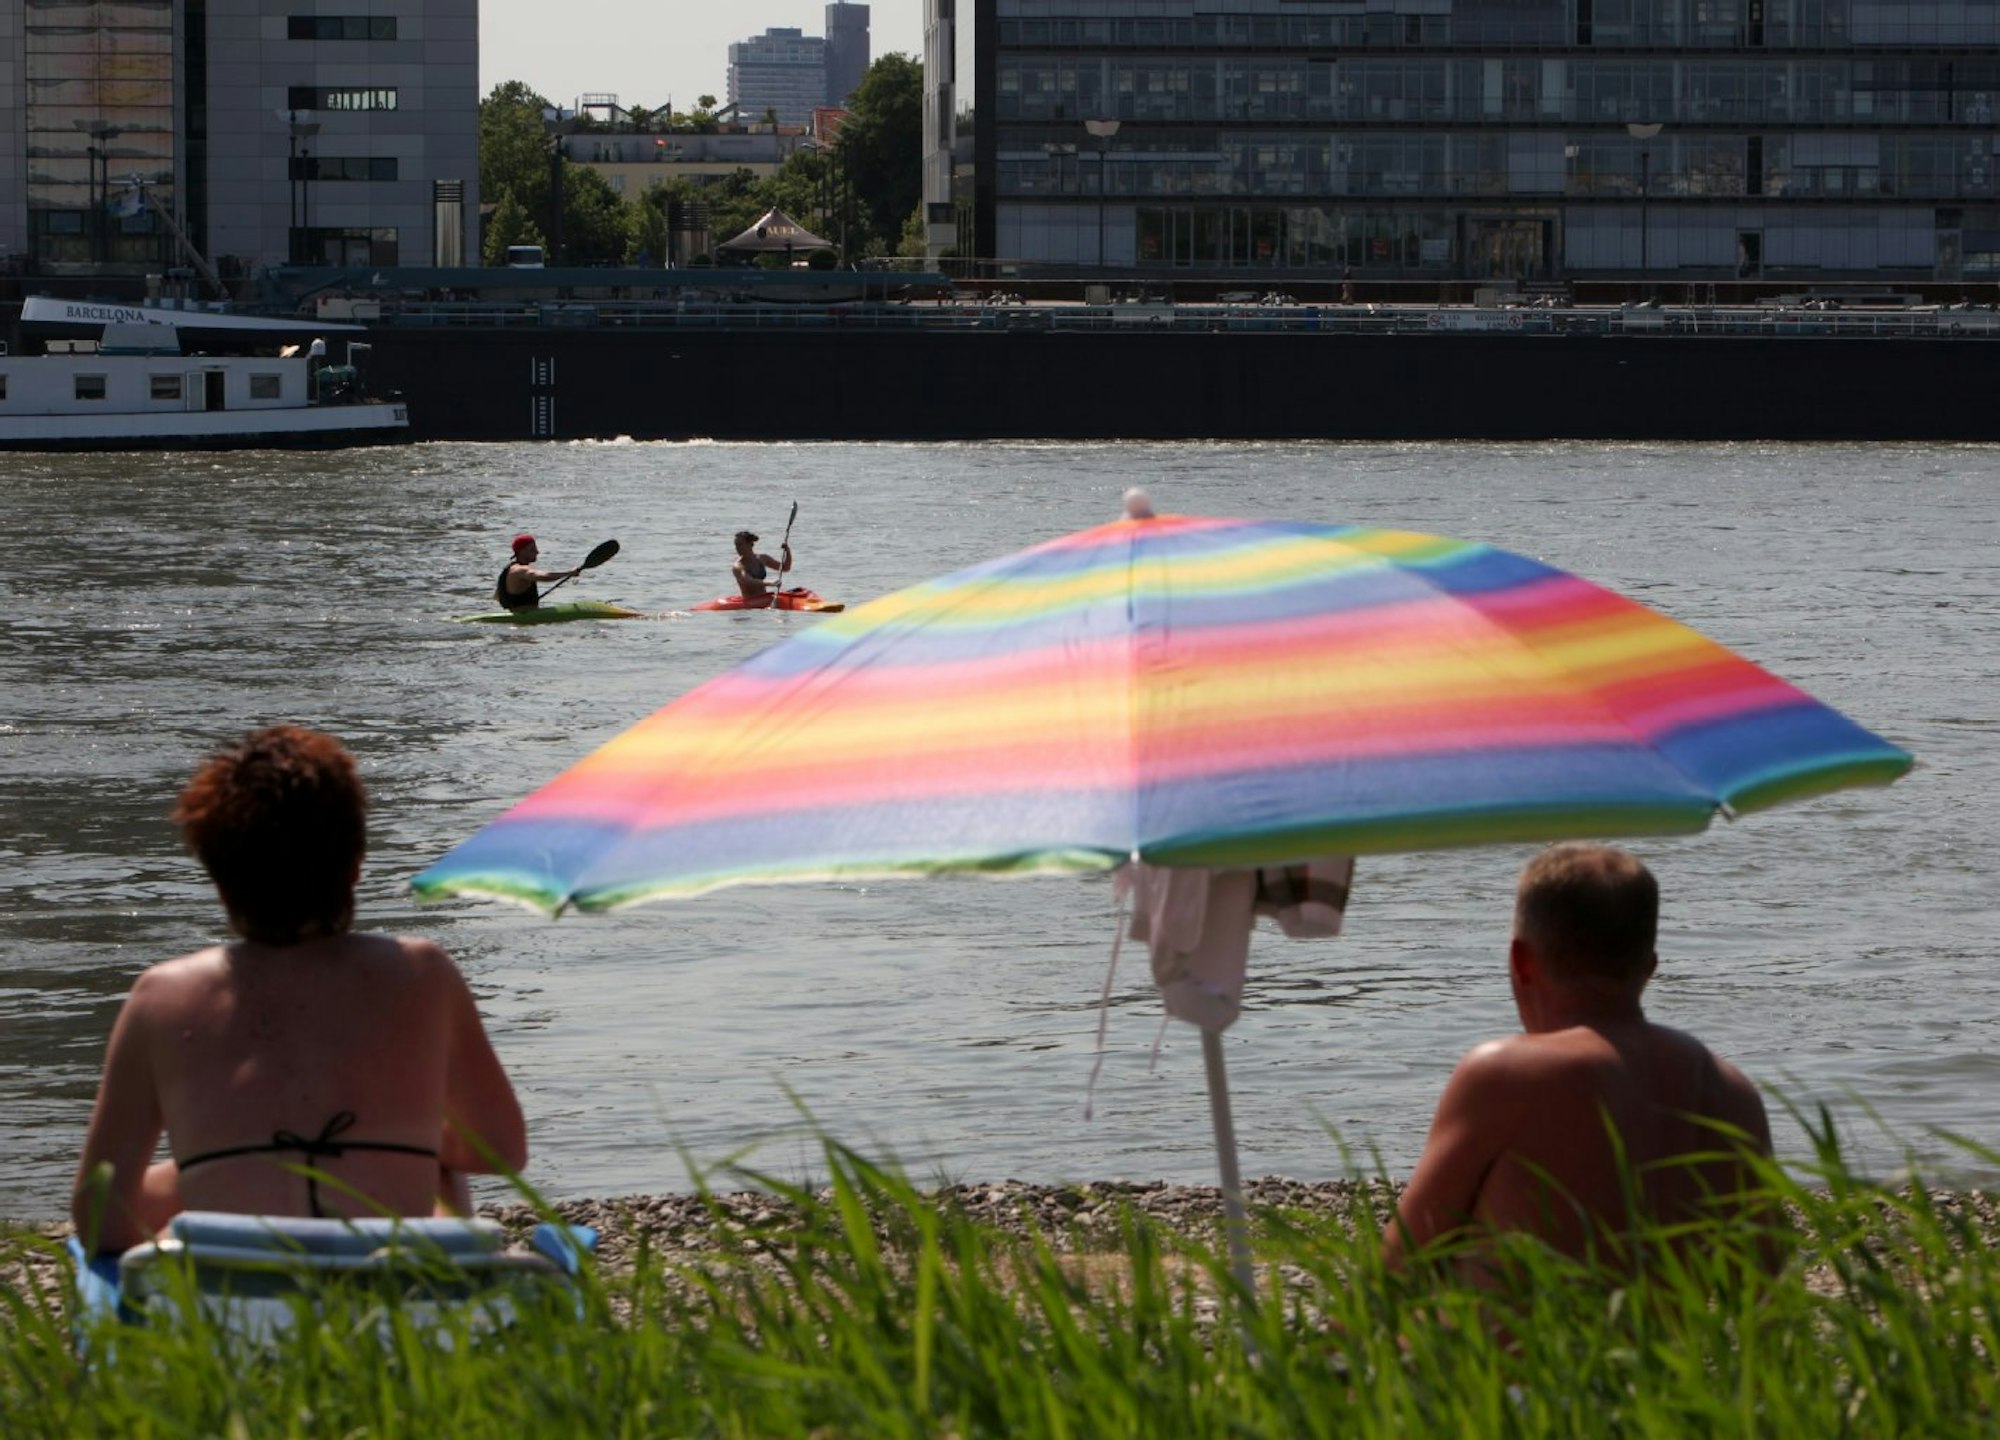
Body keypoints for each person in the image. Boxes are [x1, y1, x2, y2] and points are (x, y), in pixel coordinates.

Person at [70, 725, 527, 1254]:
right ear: (355, 866)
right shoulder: (423, 973)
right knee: (443, 1169)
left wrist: (208, 1165)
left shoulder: (160, 997)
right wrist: (403, 1143)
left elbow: (100, 1220)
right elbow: (501, 1150)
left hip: (231, 1310)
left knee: (184, 1187)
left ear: (218, 878)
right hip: (391, 1301)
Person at [1386, 843, 1775, 1280]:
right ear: (1649, 968)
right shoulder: (1731, 1092)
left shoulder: (1505, 1076)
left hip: (1513, 1350)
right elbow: (1766, 1286)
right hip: (1653, 1350)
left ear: (1522, 962)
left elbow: (1400, 1266)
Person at [495, 532, 579, 612]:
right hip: (525, 620)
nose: (537, 552)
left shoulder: (509, 569)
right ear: (522, 551)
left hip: (518, 616)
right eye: (532, 549)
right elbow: (545, 576)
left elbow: (497, 596)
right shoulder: (520, 570)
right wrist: (568, 573)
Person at [732, 529, 792, 602]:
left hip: (763, 599)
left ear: (750, 544)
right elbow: (748, 581)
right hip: (750, 602)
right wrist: (771, 583)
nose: (737, 548)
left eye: (740, 544)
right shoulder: (738, 565)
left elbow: (785, 568)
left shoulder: (762, 558)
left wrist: (787, 551)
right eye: (736, 545)